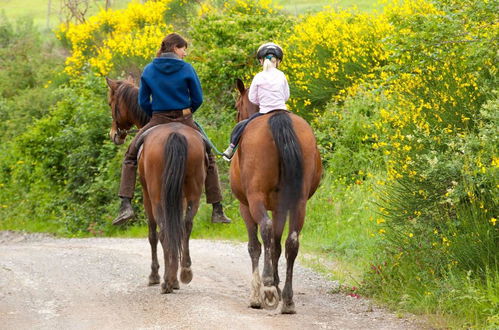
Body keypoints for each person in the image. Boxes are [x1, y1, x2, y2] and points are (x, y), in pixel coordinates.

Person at [114, 33, 231, 225]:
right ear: (175, 48)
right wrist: (187, 111)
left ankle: (125, 204)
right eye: (184, 48)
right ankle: (217, 208)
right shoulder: (186, 68)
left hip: (158, 119)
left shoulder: (150, 69)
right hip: (184, 119)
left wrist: (156, 112)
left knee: (130, 155)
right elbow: (198, 98)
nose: (185, 53)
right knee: (209, 156)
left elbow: (143, 100)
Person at [222, 42, 290, 161]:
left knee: (242, 126)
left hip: (264, 112)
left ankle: (230, 149)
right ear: (278, 62)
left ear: (261, 61)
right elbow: (286, 96)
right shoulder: (281, 75)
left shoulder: (259, 76)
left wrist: (262, 101)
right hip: (282, 111)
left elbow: (252, 98)